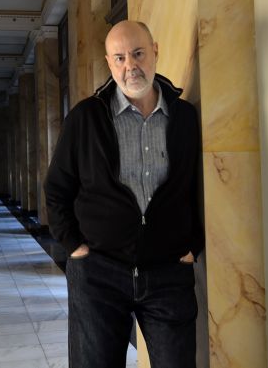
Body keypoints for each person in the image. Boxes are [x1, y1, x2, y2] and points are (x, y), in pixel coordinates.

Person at [44, 20, 204, 368]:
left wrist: (194, 243)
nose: (130, 65)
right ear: (109, 62)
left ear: (155, 51)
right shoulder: (86, 118)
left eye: (138, 53)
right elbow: (57, 188)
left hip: (168, 273)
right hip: (98, 273)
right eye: (119, 58)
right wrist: (74, 246)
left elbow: (197, 187)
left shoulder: (184, 118)